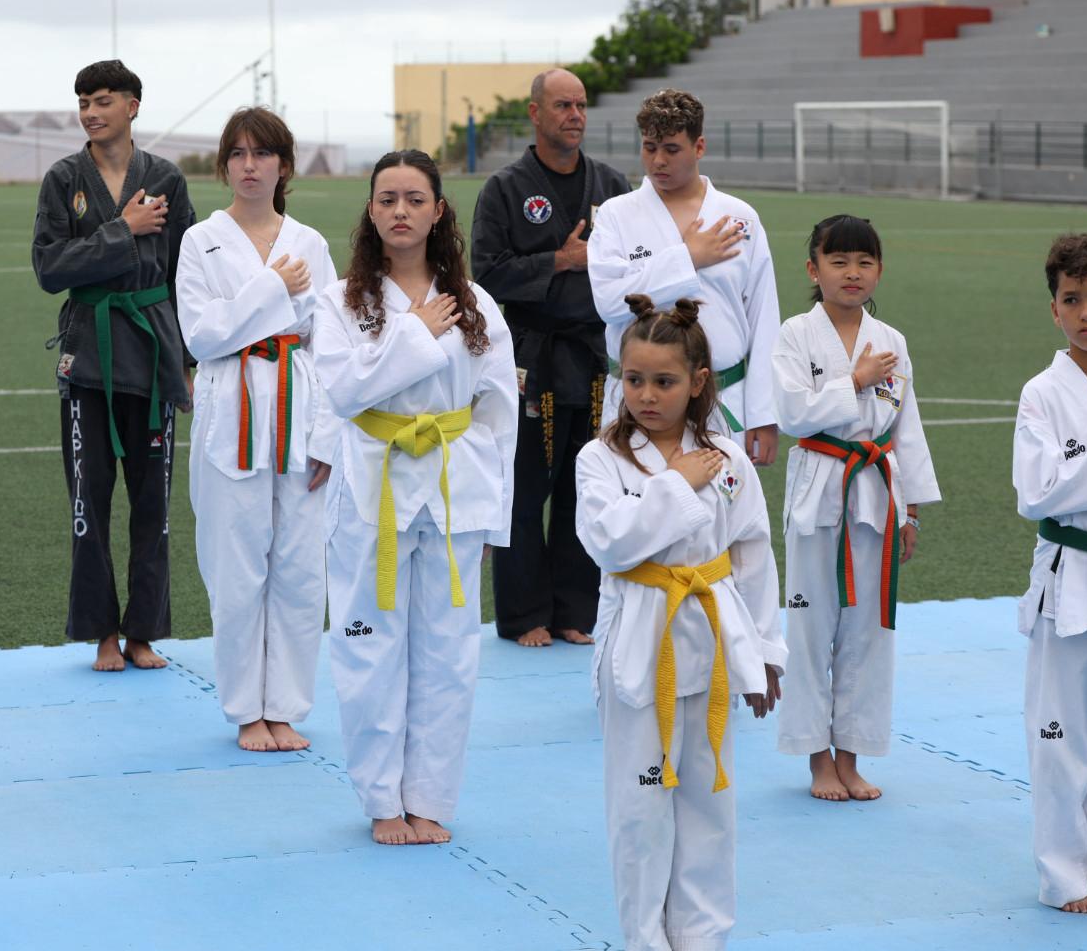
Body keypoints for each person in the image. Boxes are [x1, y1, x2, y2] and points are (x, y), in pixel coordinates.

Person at [313, 150, 517, 845]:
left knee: (449, 651)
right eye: (387, 198)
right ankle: (381, 800)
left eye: (414, 199)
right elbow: (343, 392)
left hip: (457, 488)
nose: (400, 210)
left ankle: (429, 797)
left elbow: (498, 410)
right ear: (371, 211)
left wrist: (497, 507)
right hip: (374, 485)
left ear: (438, 211)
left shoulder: (477, 303)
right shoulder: (341, 301)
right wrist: (415, 334)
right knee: (370, 646)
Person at [575, 294, 785, 951]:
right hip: (639, 646)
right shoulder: (600, 460)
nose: (646, 395)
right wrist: (675, 484)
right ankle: (645, 940)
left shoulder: (728, 459)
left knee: (709, 808)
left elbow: (752, 555)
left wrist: (766, 652)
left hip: (714, 643)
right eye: (633, 379)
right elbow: (609, 543)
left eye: (663, 381)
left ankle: (702, 939)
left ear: (697, 382)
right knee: (641, 813)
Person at [175, 107, 336, 752]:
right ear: (223, 166)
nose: (249, 166)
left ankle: (287, 706)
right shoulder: (200, 240)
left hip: (299, 408)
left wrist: (327, 435)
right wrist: (270, 288)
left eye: (261, 154)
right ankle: (247, 709)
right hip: (229, 408)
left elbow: (329, 343)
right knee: (236, 567)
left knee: (300, 568)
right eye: (237, 155)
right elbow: (202, 334)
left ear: (283, 166)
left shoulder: (312, 243)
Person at [32, 59, 195, 672]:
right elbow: (49, 269)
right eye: (83, 103)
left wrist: (188, 359)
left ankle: (144, 633)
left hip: (153, 355)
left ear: (132, 106)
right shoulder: (63, 178)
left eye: (103, 100)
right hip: (89, 358)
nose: (91, 112)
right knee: (89, 501)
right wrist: (121, 231)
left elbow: (188, 275)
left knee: (153, 504)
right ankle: (102, 632)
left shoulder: (168, 180)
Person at [772, 216, 939, 803]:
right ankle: (817, 760)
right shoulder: (795, 333)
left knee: (869, 632)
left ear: (879, 271)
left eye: (864, 262)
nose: (852, 272)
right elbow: (793, 414)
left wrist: (911, 510)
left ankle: (851, 755)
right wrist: (855, 379)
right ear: (814, 270)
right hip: (820, 488)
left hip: (875, 492)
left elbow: (908, 430)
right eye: (838, 261)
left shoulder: (892, 339)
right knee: (811, 627)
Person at [472, 67, 631, 648]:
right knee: (523, 491)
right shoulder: (506, 189)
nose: (575, 116)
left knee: (583, 490)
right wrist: (559, 262)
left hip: (592, 359)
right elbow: (484, 276)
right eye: (563, 105)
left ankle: (575, 611)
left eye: (582, 105)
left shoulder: (612, 187)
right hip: (530, 361)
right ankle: (522, 616)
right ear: (535, 113)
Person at [588, 89, 781, 468]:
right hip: (637, 402)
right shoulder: (616, 215)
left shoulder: (739, 218)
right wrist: (687, 258)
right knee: (636, 515)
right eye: (649, 147)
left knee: (722, 519)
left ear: (699, 146)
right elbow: (610, 302)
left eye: (672, 149)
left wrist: (764, 414)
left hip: (722, 397)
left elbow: (764, 318)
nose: (658, 160)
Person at [1012, 231, 1087, 915]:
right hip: (1072, 575)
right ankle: (1065, 874)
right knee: (1061, 732)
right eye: (1073, 299)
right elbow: (1038, 493)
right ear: (1054, 310)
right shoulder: (1042, 394)